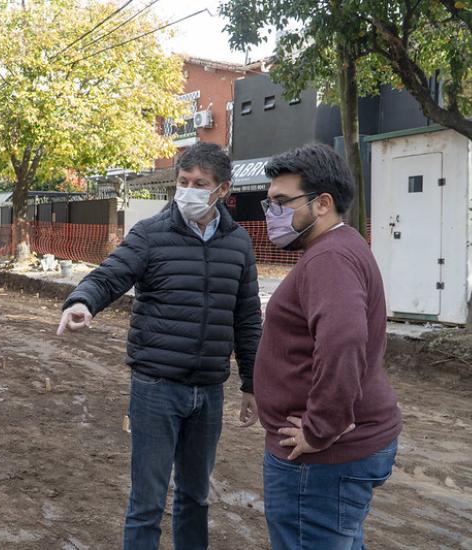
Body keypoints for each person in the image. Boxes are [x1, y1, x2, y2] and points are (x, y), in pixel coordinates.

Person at [57, 142, 262, 549]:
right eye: (183, 182)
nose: (188, 190)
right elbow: (111, 274)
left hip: (208, 392)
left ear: (222, 190)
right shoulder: (151, 234)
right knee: (147, 502)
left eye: (199, 183)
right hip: (155, 390)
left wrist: (252, 384)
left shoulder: (238, 244)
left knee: (195, 497)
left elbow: (248, 320)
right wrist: (82, 301)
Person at [254, 143, 402, 549]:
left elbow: (344, 341)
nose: (272, 214)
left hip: (319, 463)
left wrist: (321, 429)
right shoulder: (341, 246)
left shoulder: (329, 258)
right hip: (334, 459)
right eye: (270, 203)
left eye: (282, 202)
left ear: (322, 204)